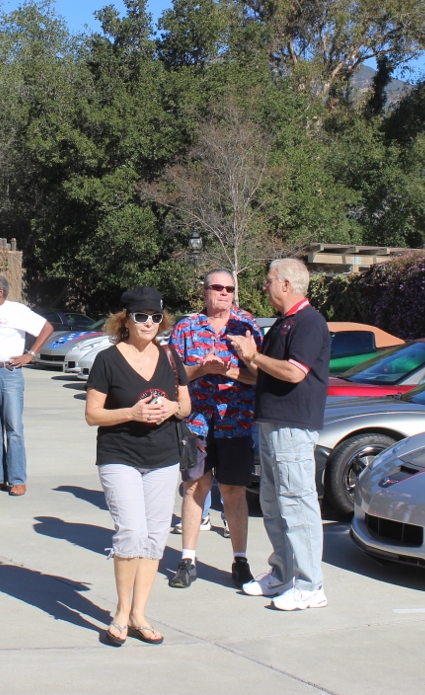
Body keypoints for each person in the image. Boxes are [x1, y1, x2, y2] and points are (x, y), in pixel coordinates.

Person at [84, 287, 189, 647]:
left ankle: (139, 614)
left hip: (163, 457)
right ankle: (120, 612)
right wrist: (131, 412)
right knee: (130, 531)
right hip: (120, 455)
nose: (148, 323)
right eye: (141, 316)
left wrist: (171, 408)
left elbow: (186, 404)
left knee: (156, 536)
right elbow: (92, 414)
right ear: (125, 319)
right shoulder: (108, 360)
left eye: (156, 317)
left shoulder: (171, 356)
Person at [231, 258, 330, 611]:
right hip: (272, 424)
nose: (265, 286)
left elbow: (293, 373)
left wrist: (254, 354)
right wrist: (238, 363)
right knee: (273, 503)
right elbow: (265, 374)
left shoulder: (309, 322)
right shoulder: (283, 324)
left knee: (297, 504)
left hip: (293, 427)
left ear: (287, 284)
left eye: (269, 280)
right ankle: (282, 574)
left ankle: (309, 585)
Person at [168, 269, 261, 589]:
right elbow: (171, 377)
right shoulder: (186, 328)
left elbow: (261, 376)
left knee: (234, 492)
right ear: (204, 291)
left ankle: (240, 560)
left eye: (229, 288)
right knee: (195, 488)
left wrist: (232, 371)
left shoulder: (247, 326)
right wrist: (201, 369)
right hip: (196, 425)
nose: (223, 293)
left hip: (236, 423)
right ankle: (187, 560)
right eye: (217, 287)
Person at [0, 273, 52, 496]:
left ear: (1, 291)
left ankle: (17, 479)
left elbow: (47, 327)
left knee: (14, 428)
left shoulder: (16, 310)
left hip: (10, 373)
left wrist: (31, 354)